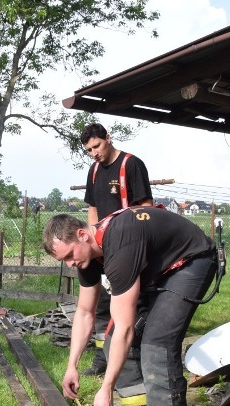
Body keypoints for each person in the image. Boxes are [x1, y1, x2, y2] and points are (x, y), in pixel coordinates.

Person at [43, 207, 217, 406]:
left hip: (190, 263)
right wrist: (71, 365)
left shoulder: (120, 243)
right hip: (160, 272)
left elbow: (125, 326)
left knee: (156, 347)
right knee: (114, 344)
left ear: (82, 235)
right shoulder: (88, 257)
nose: (71, 264)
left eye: (70, 256)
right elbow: (85, 313)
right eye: (65, 261)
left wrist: (106, 388)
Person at [80, 123, 154, 378]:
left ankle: (133, 355)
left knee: (132, 305)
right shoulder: (93, 171)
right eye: (89, 150)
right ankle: (103, 356)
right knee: (101, 304)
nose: (94, 153)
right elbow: (92, 207)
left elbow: (146, 206)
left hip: (128, 247)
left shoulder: (132, 165)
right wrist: (93, 237)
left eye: (97, 146)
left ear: (108, 139)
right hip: (102, 246)